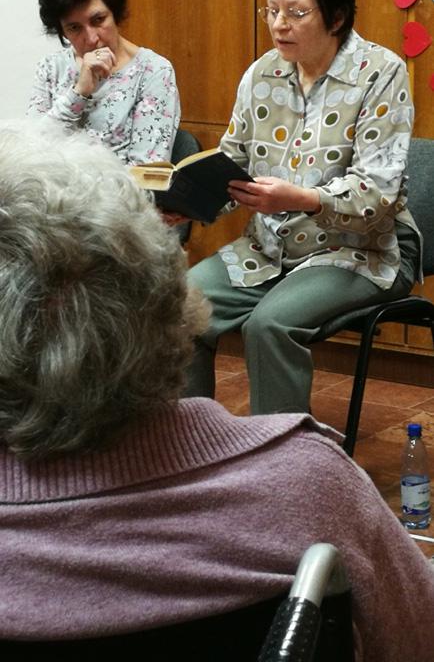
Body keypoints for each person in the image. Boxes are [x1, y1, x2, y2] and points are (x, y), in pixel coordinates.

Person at [0, 121, 433, 661]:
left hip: (351, 254)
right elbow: (418, 637)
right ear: (169, 305)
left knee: (270, 322)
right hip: (265, 254)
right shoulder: (316, 486)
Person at [184, 0, 420, 415]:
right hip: (270, 246)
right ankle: (192, 445)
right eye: (272, 11)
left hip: (361, 249)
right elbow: (233, 163)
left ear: (336, 17)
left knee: (269, 325)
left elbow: (378, 191)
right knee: (177, 307)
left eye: (296, 13)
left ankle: (284, 457)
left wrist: (306, 199)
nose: (279, 25)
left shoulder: (381, 72)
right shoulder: (262, 74)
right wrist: (188, 200)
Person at [27, 0, 180, 164]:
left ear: (114, 12)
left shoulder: (154, 72)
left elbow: (147, 172)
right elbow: (29, 153)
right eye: (74, 28)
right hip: (52, 185)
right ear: (62, 31)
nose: (91, 38)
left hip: (118, 186)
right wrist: (78, 93)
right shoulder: (51, 68)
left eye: (98, 20)